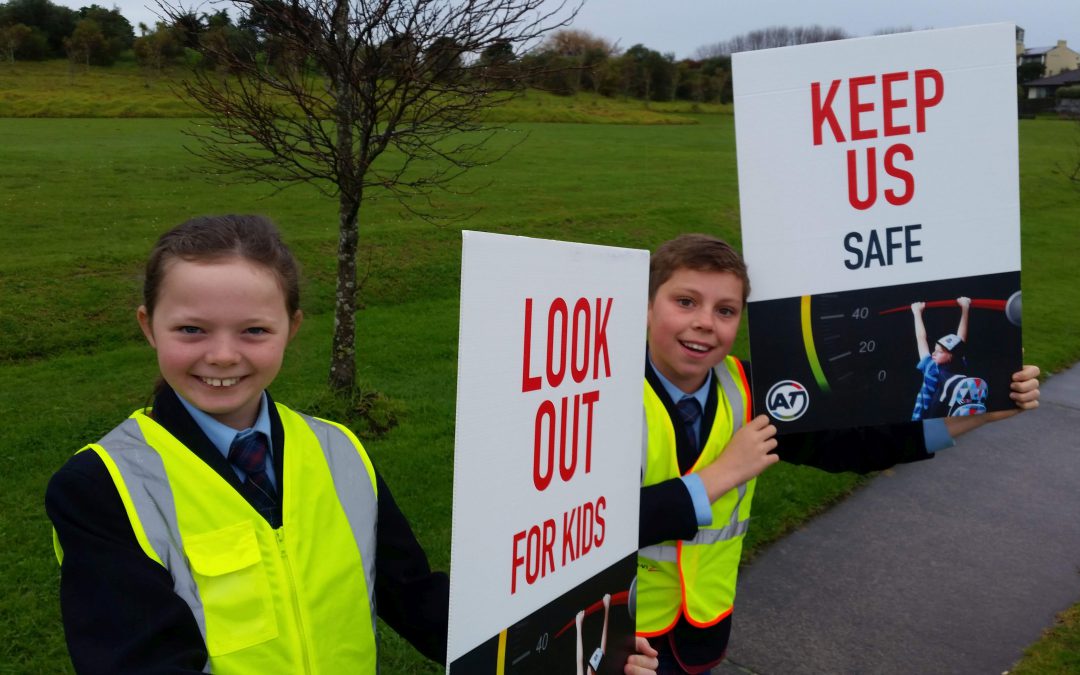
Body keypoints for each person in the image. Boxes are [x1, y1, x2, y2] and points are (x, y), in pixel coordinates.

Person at [45, 215, 661, 675]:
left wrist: (562, 643)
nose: (223, 355)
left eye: (255, 330)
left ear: (293, 328)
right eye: (191, 330)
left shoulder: (338, 449)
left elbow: (414, 596)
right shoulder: (101, 487)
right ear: (147, 326)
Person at [635, 234, 1041, 674]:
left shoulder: (753, 389)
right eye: (686, 302)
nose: (705, 323)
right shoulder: (598, 400)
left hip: (700, 634)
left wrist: (978, 412)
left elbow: (851, 445)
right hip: (619, 635)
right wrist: (720, 476)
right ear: (647, 305)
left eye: (726, 310)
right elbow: (584, 529)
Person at [911, 297, 973, 420]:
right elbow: (961, 339)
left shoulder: (931, 368)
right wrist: (965, 307)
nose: (933, 353)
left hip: (924, 416)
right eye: (934, 349)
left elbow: (921, 338)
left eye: (939, 351)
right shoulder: (961, 365)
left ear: (951, 356)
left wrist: (917, 312)